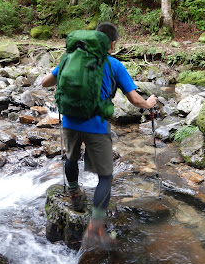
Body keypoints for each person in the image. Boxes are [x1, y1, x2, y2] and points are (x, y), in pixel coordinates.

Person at [41, 22, 157, 249]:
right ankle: (95, 228)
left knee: (71, 159)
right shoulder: (113, 64)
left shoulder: (69, 58)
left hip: (70, 122)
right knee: (105, 176)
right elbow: (135, 100)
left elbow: (45, 82)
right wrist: (149, 103)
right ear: (112, 44)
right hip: (96, 126)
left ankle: (74, 194)